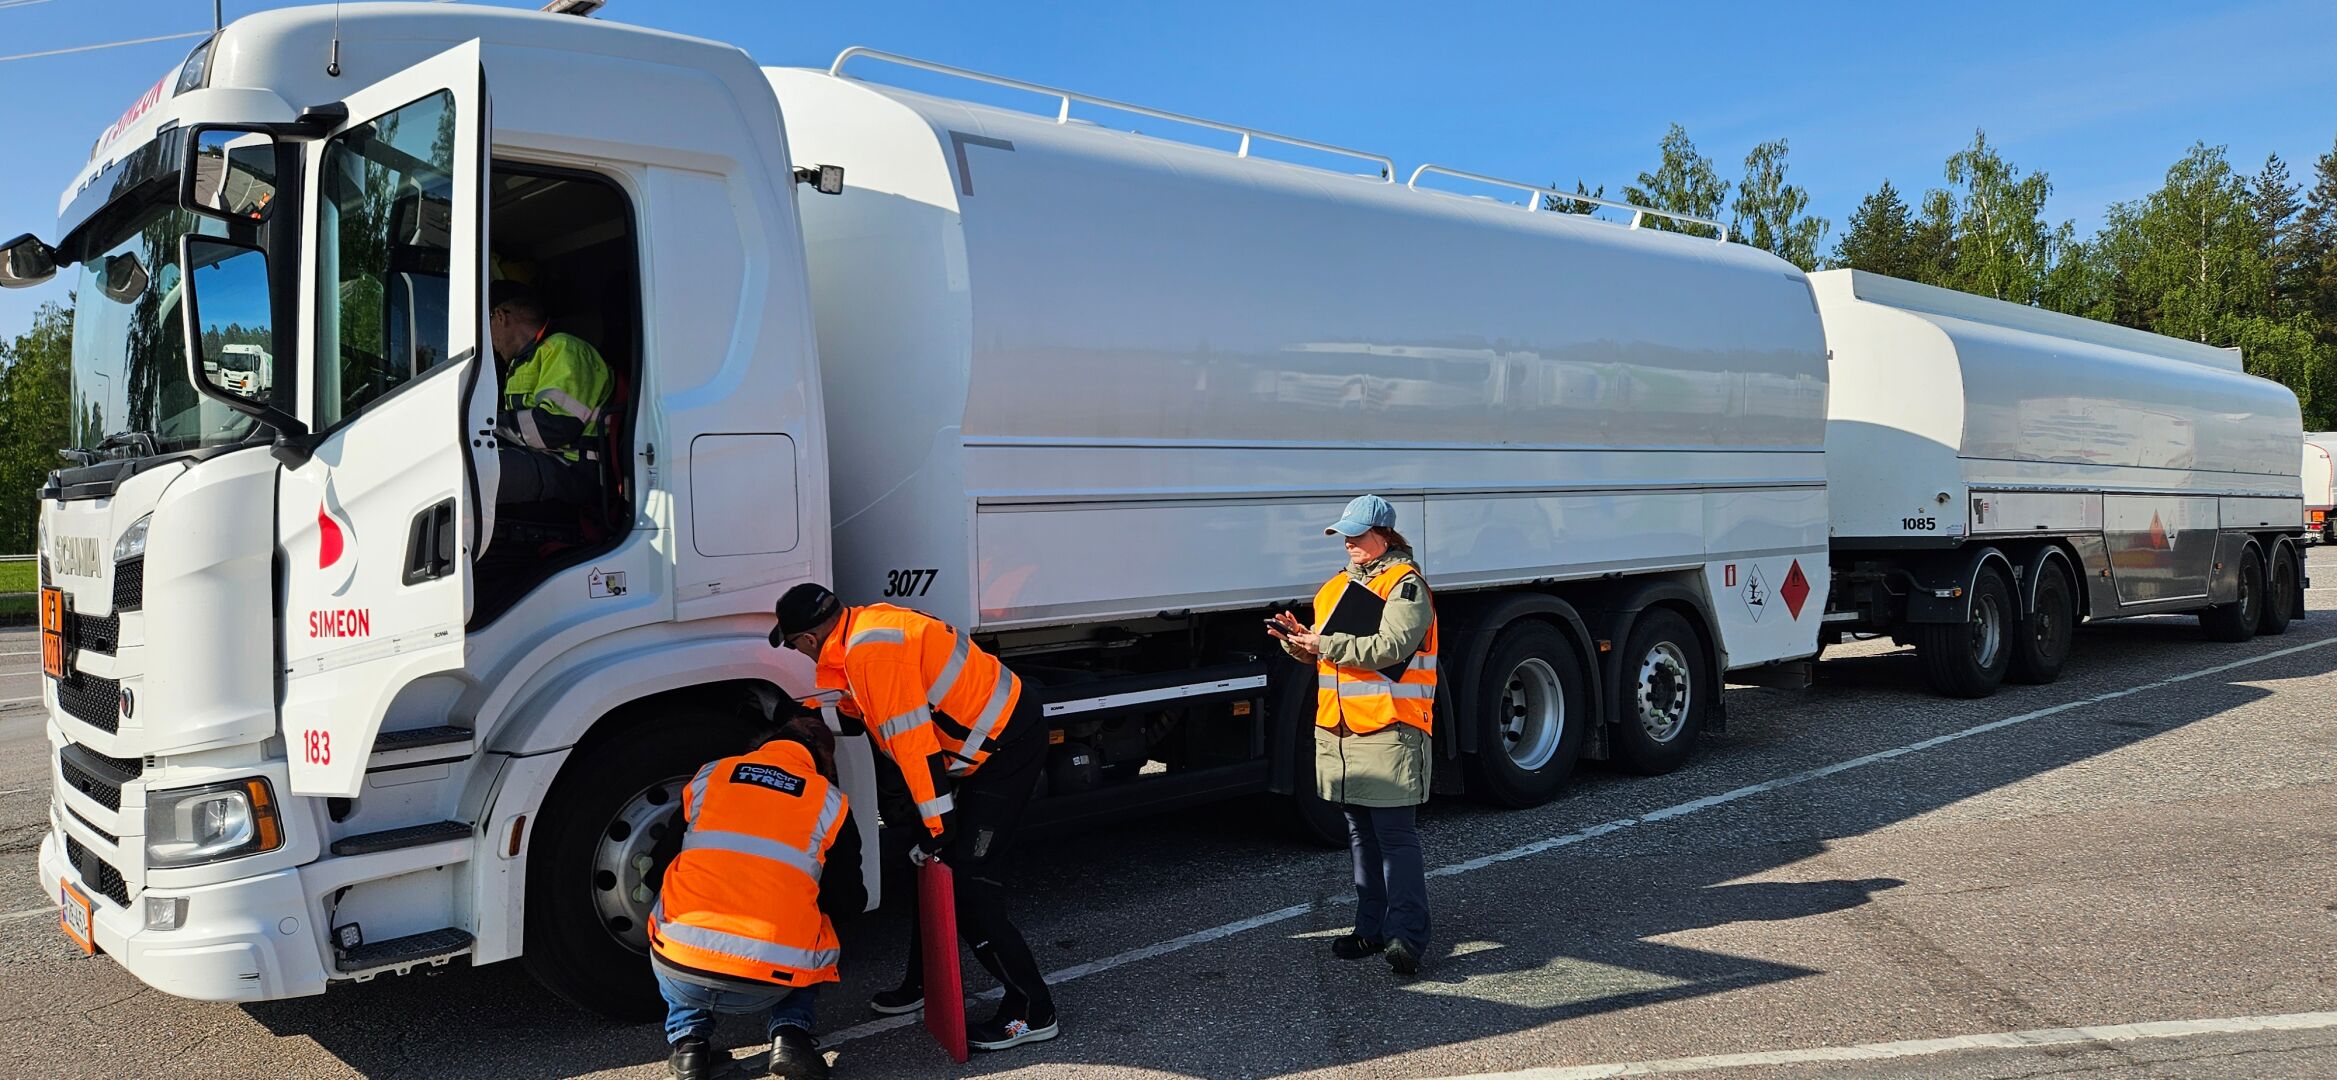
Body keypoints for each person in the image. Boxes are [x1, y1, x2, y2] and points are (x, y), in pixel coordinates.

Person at [771, 582, 1060, 1051]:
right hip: (982, 743)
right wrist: (796, 714)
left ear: (806, 640)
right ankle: (924, 984)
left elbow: (914, 748)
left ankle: (1033, 1010)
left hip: (1007, 747)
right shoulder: (863, 629)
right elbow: (861, 710)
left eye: (794, 646)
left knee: (967, 883)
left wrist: (937, 828)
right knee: (929, 867)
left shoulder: (870, 654)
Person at [1268, 494, 1439, 976]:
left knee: (1394, 837)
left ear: (1384, 536)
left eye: (1357, 534)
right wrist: (1299, 644)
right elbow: (1332, 655)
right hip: (1341, 730)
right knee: (1361, 835)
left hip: (1389, 727)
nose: (1348, 542)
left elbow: (1392, 648)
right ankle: (1371, 928)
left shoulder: (1406, 587)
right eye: (1344, 534)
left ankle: (1406, 935)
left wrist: (1323, 642)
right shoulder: (1334, 589)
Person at [646, 713, 865, 1080]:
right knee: (818, 926)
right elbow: (850, 901)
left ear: (762, 746)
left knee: (670, 902)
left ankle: (688, 1046)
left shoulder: (711, 776)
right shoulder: (829, 802)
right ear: (822, 762)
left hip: (680, 969)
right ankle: (791, 1034)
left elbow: (658, 867)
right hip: (771, 982)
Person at [488, 279, 612, 505]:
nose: (489, 338)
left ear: (500, 317)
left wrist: (487, 425)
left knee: (473, 471)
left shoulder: (564, 349)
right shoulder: (524, 361)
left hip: (572, 469)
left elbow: (553, 427)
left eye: (486, 324)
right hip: (544, 461)